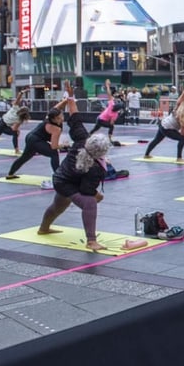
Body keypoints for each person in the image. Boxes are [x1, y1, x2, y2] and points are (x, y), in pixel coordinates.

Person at [38, 81, 111, 251]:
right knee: (90, 203)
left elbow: (75, 118)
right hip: (66, 182)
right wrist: (96, 195)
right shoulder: (95, 169)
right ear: (100, 153)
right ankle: (91, 240)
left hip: (62, 178)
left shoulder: (82, 140)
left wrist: (71, 97)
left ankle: (44, 228)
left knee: (58, 206)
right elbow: (86, 190)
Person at [7, 95, 69, 178]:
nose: (61, 119)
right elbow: (54, 146)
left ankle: (10, 174)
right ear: (53, 119)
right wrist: (64, 145)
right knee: (54, 153)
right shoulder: (55, 129)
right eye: (58, 118)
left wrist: (68, 99)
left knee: (25, 157)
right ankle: (58, 177)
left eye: (62, 116)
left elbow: (60, 105)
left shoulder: (51, 114)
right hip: (35, 140)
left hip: (30, 137)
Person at [144, 80, 184, 161]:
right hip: (167, 128)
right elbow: (183, 134)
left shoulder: (178, 106)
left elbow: (183, 94)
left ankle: (146, 155)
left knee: (157, 140)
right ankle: (179, 158)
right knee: (181, 139)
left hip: (163, 124)